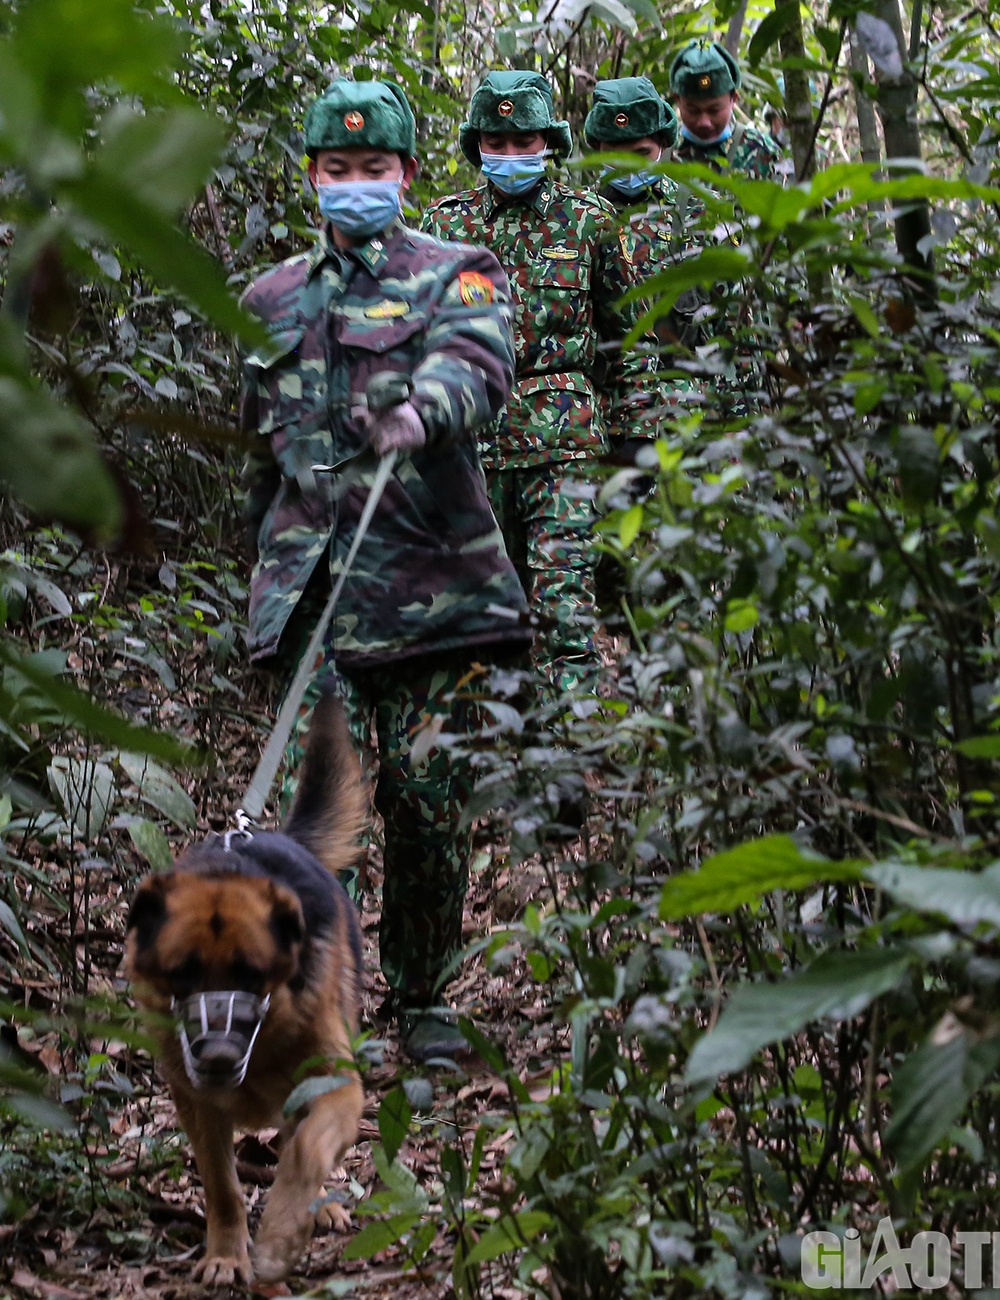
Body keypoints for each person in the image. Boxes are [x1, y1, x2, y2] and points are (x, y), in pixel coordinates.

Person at [237, 78, 529, 1061]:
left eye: (373, 167)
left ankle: (424, 991)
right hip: (317, 602)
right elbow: (259, 460)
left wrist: (420, 410)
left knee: (429, 801)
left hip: (434, 598)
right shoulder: (268, 300)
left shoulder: (458, 273)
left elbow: (478, 367)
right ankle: (328, 1006)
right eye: (338, 168)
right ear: (312, 175)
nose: (355, 182)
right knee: (326, 810)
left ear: (406, 173)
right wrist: (260, 591)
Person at [419, 70, 652, 703]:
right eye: (496, 142)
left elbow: (628, 340)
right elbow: (423, 339)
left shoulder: (591, 222)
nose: (511, 154)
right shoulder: (445, 226)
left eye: (525, 141)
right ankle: (498, 742)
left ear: (549, 142)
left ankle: (569, 750)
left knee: (564, 613)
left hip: (565, 451)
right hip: (471, 453)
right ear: (477, 146)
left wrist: (635, 439)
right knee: (480, 620)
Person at [584, 76, 706, 414]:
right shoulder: (579, 217)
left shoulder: (698, 213)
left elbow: (732, 329)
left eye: (641, 153)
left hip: (686, 411)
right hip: (605, 413)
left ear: (663, 143)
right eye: (615, 155)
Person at [669, 40, 788, 182]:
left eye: (714, 110)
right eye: (693, 111)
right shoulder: (661, 150)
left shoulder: (763, 152)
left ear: (733, 100)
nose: (704, 122)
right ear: (678, 100)